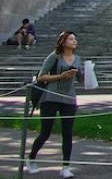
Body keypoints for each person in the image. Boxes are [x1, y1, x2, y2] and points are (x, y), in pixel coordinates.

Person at [26, 31, 83, 178]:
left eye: (75, 39)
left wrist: (87, 73)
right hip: (51, 97)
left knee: (68, 133)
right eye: (71, 39)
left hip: (69, 99)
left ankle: (65, 167)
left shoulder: (77, 59)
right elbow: (41, 76)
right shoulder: (54, 57)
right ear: (63, 42)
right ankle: (31, 159)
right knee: (45, 132)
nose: (74, 41)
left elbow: (81, 79)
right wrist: (60, 76)